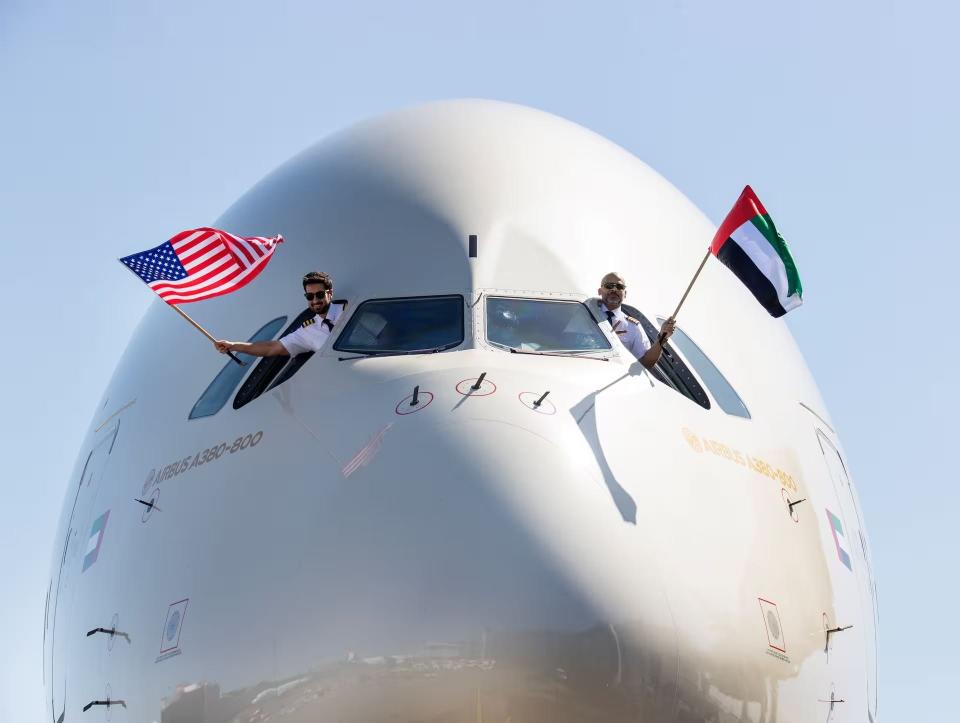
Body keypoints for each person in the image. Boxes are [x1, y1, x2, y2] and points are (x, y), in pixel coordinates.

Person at [214, 271, 342, 357]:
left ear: (329, 293)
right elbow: (272, 347)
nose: (315, 300)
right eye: (309, 296)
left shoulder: (347, 310)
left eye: (319, 295)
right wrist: (234, 346)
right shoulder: (308, 330)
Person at [593, 272, 676, 369]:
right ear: (599, 291)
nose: (614, 289)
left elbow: (646, 363)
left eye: (619, 287)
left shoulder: (633, 326)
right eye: (609, 286)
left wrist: (663, 337)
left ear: (625, 294)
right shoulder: (584, 314)